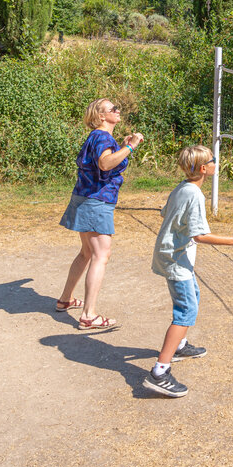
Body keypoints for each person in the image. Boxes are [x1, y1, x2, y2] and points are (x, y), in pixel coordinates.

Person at [143, 145, 233, 398]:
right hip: (176, 259)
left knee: (193, 295)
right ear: (204, 168)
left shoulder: (181, 188)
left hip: (174, 256)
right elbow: (199, 235)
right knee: (185, 312)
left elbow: (166, 214)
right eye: (214, 160)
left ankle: (180, 346)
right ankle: (160, 372)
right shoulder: (194, 194)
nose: (217, 163)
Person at [56, 98, 143, 331]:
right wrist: (131, 146)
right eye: (113, 108)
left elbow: (106, 160)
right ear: (101, 116)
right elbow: (105, 164)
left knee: (86, 253)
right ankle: (88, 315)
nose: (118, 110)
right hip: (96, 201)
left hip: (85, 198)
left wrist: (121, 148)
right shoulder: (102, 136)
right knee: (101, 255)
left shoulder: (99, 137)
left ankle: (65, 300)